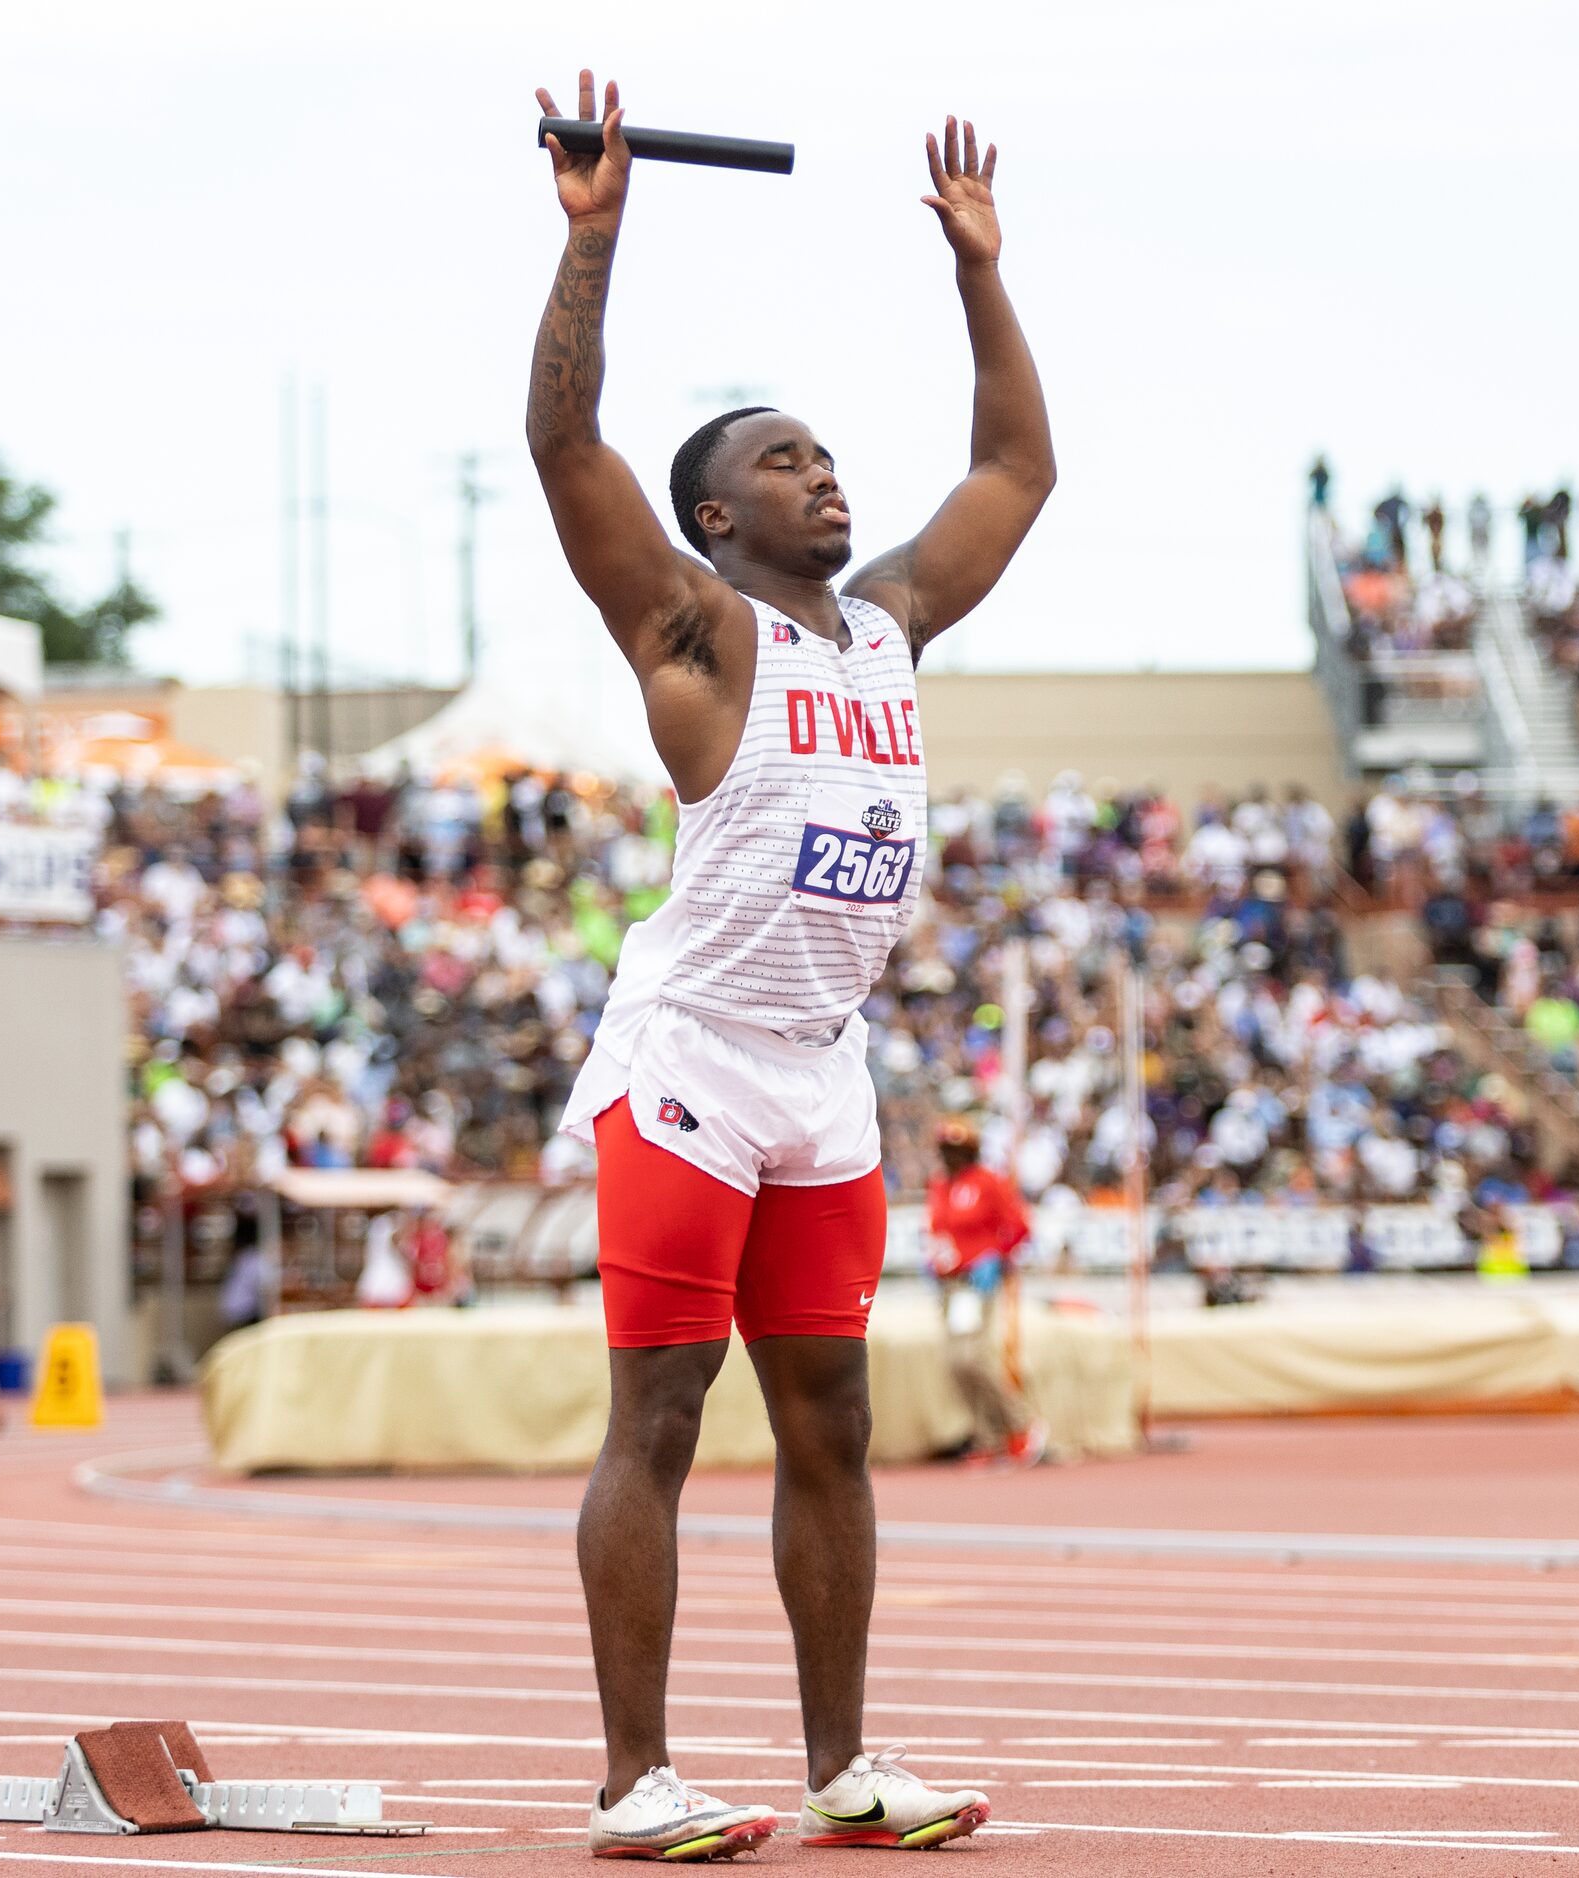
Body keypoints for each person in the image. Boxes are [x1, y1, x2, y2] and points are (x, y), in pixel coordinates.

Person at [525, 70, 1050, 1859]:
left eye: (827, 454)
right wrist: (593, 242)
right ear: (719, 522)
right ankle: (634, 1780)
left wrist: (980, 270)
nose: (823, 475)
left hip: (819, 1065)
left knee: (830, 1413)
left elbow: (1013, 469)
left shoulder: (890, 624)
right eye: (781, 459)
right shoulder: (696, 632)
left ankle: (842, 1764)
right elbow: (564, 453)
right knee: (660, 1412)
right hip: (688, 1056)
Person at [920, 1118, 1041, 1465]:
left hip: (977, 1282)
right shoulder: (939, 1185)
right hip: (951, 1285)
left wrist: (996, 1257)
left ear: (970, 1152)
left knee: (974, 1357)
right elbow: (937, 1229)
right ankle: (987, 1434)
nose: (949, 1157)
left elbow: (1019, 1227)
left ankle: (1020, 1424)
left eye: (956, 1151)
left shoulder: (988, 1182)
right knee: (955, 1363)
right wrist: (932, 1259)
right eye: (945, 1150)